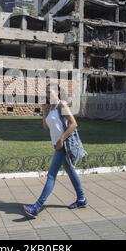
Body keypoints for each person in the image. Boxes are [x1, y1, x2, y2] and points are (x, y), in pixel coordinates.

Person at [23, 85, 88, 218]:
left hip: (63, 146)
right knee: (70, 171)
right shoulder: (51, 108)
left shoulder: (61, 105)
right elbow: (46, 127)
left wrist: (61, 140)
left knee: (51, 176)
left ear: (57, 92)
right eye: (46, 92)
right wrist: (44, 112)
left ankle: (37, 207)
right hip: (57, 145)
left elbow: (74, 123)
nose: (48, 95)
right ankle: (82, 199)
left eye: (50, 92)